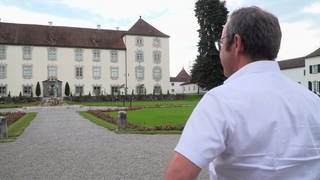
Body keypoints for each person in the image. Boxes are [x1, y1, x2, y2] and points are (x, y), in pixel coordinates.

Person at [164, 6, 320, 180]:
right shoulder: (313, 102)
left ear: (236, 43)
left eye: (222, 43)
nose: (220, 50)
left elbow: (178, 175)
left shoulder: (220, 101)